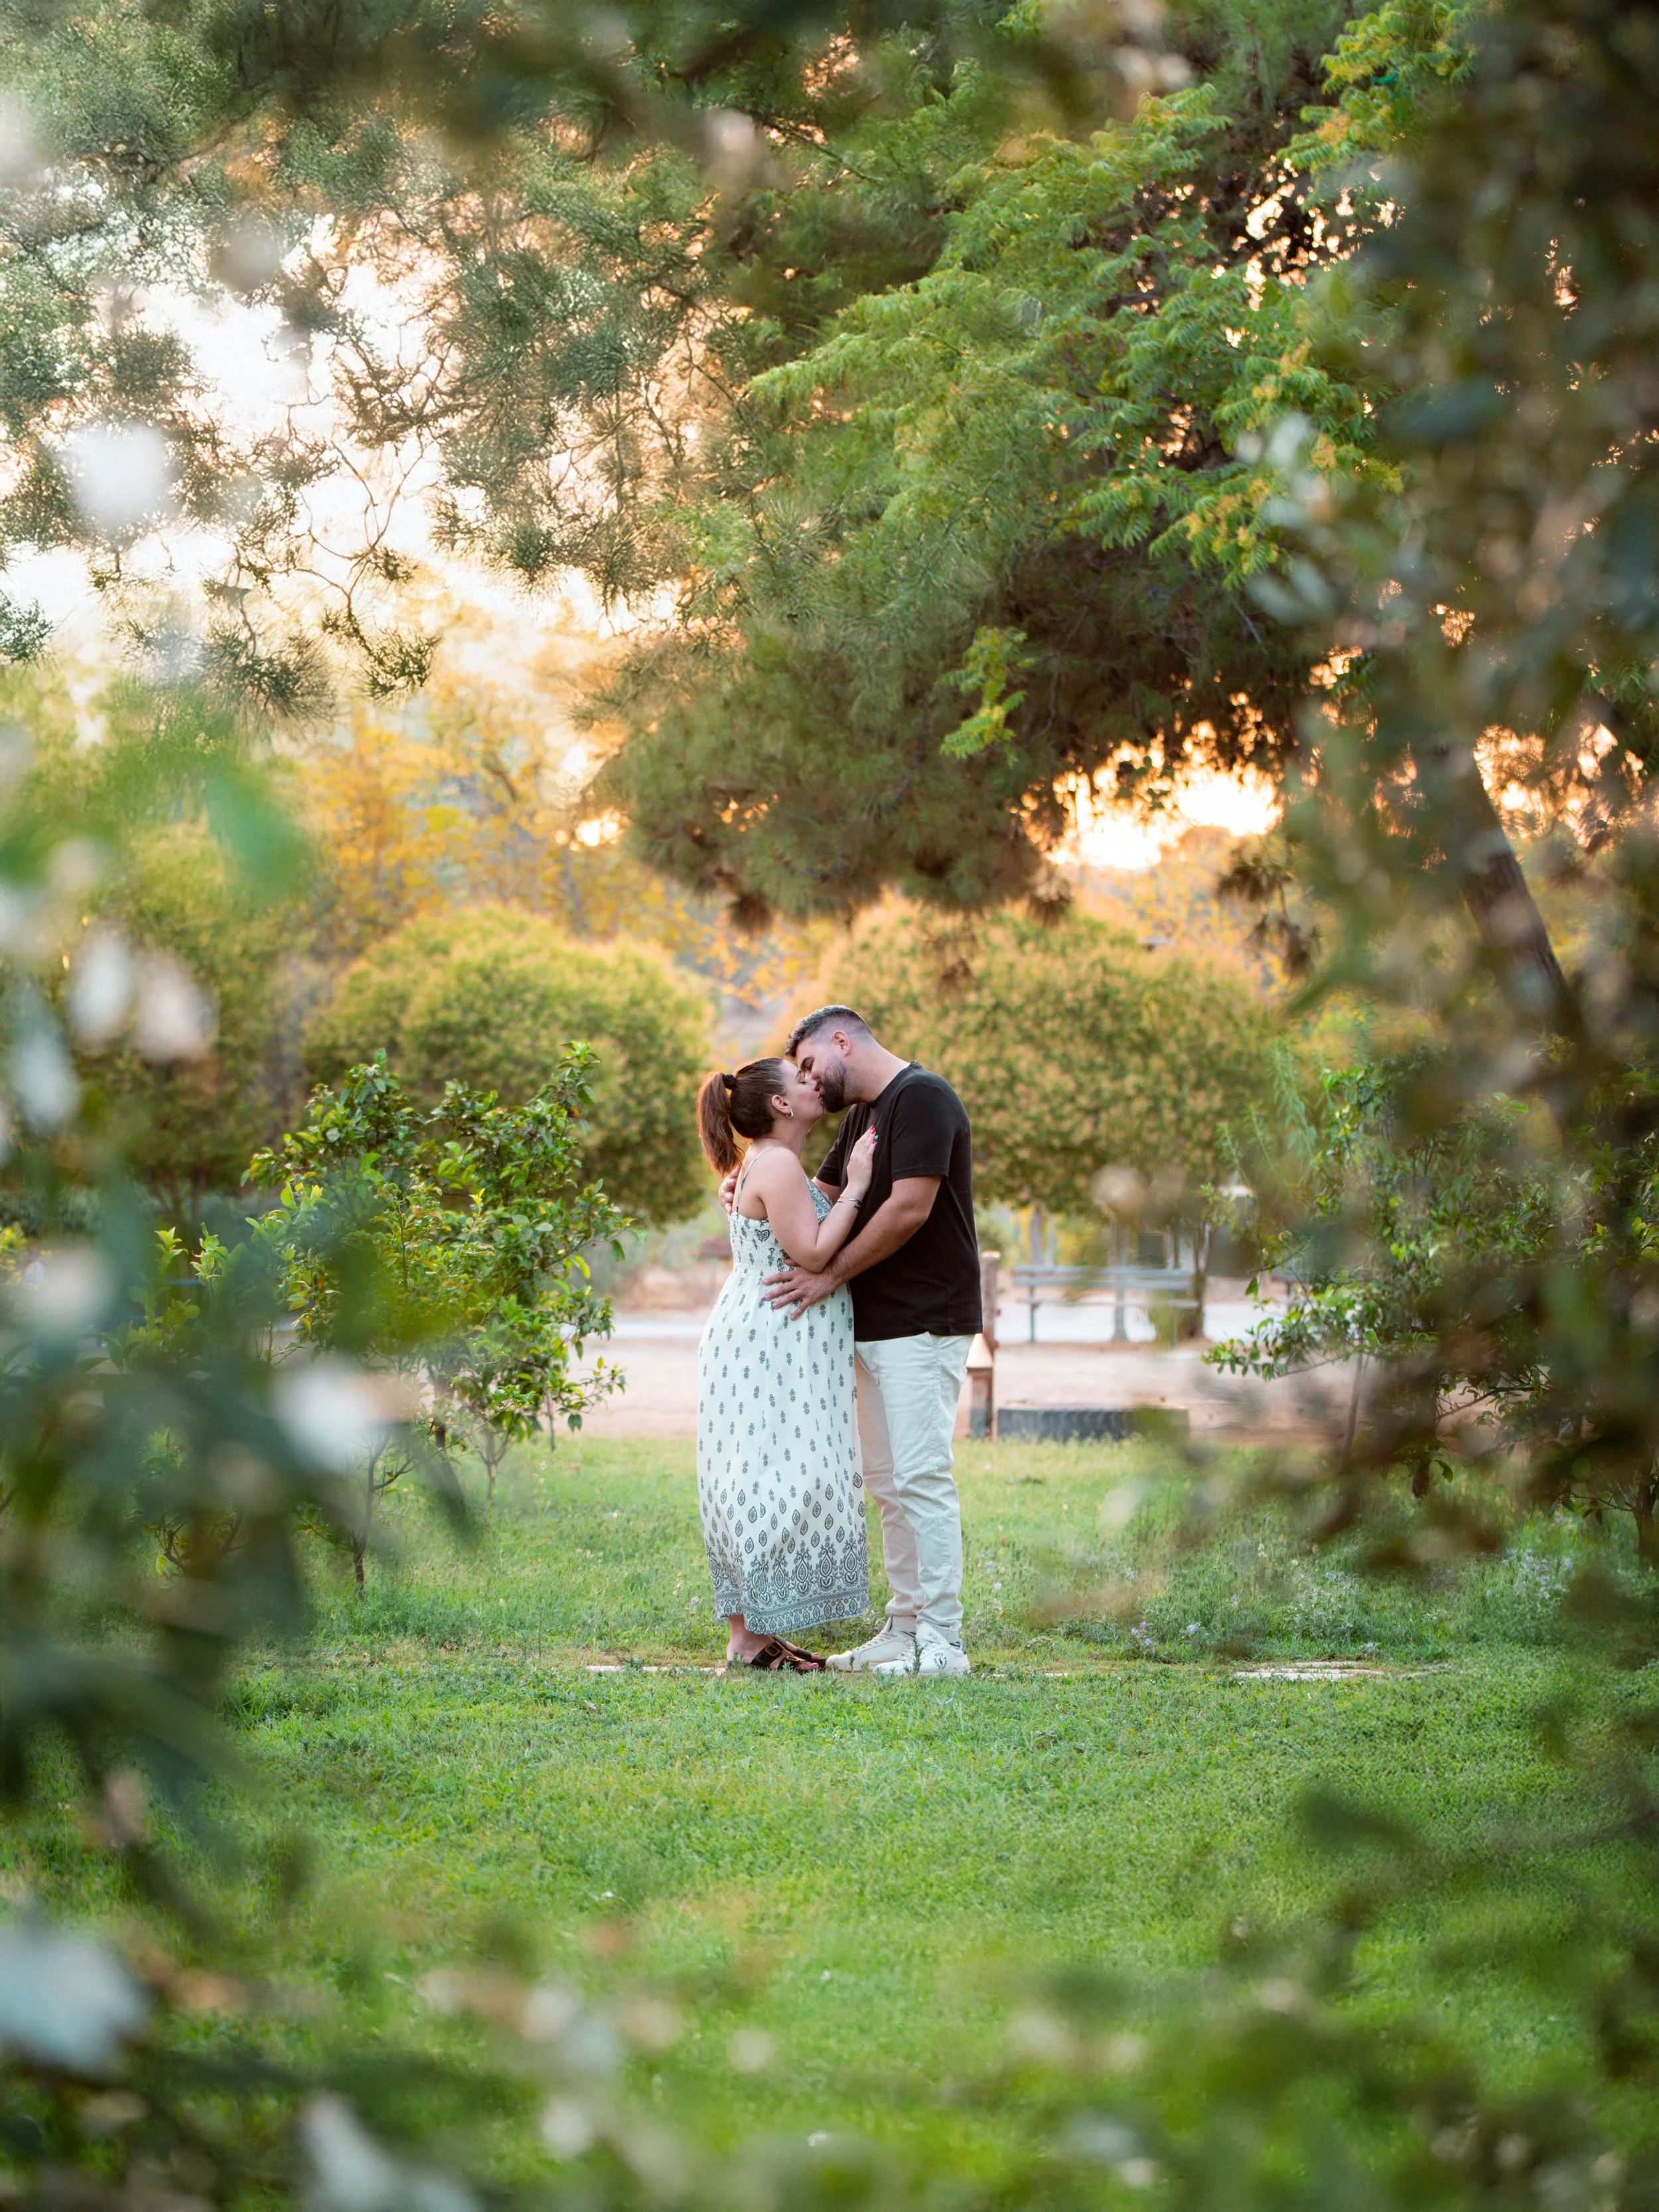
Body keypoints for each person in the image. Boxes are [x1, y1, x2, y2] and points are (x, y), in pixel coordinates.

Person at [759, 1005, 981, 1678]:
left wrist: (827, 1277)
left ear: (840, 1040)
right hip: (875, 1324)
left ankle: (944, 1641)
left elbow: (909, 1209)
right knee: (886, 1484)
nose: (808, 1082)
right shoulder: (862, 1116)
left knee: (922, 1477)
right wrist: (752, 1177)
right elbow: (821, 1199)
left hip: (926, 1319)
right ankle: (902, 1628)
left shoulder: (923, 1098)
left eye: (806, 1066)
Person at [694, 1056, 879, 1671]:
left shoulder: (773, 1165)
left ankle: (755, 1635)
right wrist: (857, 1184)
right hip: (767, 1342)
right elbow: (815, 1250)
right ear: (779, 1104)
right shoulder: (775, 1162)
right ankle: (748, 1641)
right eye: (800, 1079)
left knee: (757, 1473)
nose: (813, 1082)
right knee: (770, 1478)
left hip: (766, 1336)